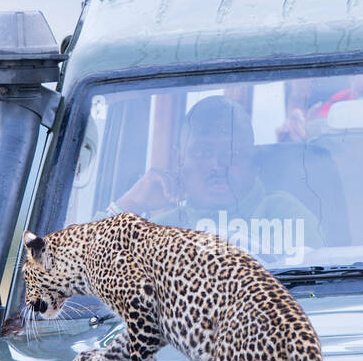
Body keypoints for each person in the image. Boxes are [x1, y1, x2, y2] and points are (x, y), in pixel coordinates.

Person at [108, 94, 323, 257]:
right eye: (202, 152)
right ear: (180, 160)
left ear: (252, 159)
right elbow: (82, 274)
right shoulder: (161, 229)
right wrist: (129, 204)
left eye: (232, 153)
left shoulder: (287, 215)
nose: (218, 166)